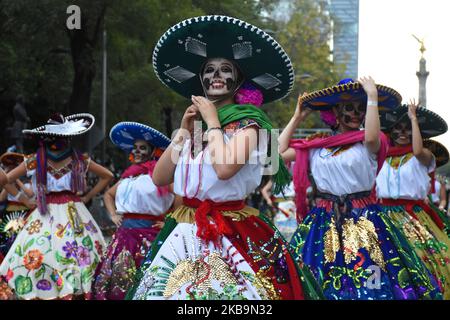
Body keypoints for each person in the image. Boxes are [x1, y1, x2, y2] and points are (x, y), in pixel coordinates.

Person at [127, 15, 322, 300]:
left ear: (238, 80)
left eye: (225, 69)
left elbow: (225, 168)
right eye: (209, 70)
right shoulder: (195, 128)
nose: (216, 75)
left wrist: (212, 121)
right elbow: (160, 177)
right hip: (183, 231)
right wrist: (183, 130)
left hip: (230, 231)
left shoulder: (249, 125)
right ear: (201, 80)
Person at [280, 78, 442, 299]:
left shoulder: (369, 144)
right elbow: (277, 154)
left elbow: (373, 136)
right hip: (323, 220)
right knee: (315, 280)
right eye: (350, 108)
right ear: (335, 111)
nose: (356, 113)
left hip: (363, 218)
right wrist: (297, 117)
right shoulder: (316, 145)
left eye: (361, 109)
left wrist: (372, 97)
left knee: (367, 280)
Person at [0, 113, 113, 300]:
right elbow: (107, 175)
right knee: (76, 253)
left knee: (43, 252)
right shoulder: (78, 159)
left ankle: (49, 292)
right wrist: (87, 197)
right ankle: (68, 292)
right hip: (73, 211)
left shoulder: (36, 159)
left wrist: (20, 194)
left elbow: (6, 179)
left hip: (48, 211)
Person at [92, 122, 177, 300]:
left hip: (150, 234)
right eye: (135, 148)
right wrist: (113, 215)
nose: (137, 151)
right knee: (118, 278)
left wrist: (169, 221)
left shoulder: (160, 176)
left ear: (154, 151)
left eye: (142, 148)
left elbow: (180, 198)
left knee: (148, 278)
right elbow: (108, 194)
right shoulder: (128, 176)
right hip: (123, 235)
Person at [376, 102, 450, 298]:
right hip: (383, 215)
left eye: (407, 129)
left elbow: (417, 150)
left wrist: (413, 119)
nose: (402, 133)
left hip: (412, 215)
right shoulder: (382, 157)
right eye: (397, 129)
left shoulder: (424, 156)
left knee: (419, 259)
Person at [0, 153, 34, 257]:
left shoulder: (29, 182)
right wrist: (8, 181)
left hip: (25, 213)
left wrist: (16, 179)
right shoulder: (9, 185)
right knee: (8, 240)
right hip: (10, 215)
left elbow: (30, 194)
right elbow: (1, 198)